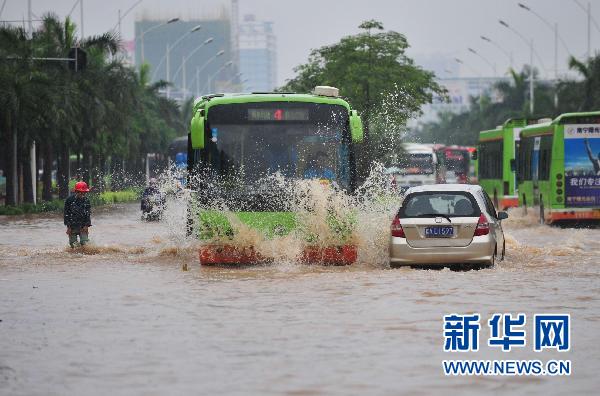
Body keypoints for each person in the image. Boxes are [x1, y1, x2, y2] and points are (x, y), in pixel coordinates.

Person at [64, 181, 92, 248]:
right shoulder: (69, 200)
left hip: (83, 226)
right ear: (76, 191)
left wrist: (87, 225)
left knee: (85, 243)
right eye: (80, 192)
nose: (82, 194)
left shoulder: (86, 200)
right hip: (72, 226)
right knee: (73, 245)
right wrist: (68, 227)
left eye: (84, 192)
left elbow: (88, 214)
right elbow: (66, 214)